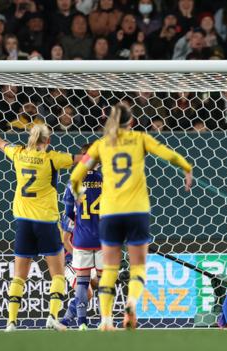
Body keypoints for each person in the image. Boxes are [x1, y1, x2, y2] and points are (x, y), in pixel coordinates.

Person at [69, 103, 193, 331]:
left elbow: (77, 175)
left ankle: (106, 321)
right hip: (137, 211)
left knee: (110, 268)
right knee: (137, 266)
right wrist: (187, 168)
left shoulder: (101, 144)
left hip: (110, 213)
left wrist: (77, 193)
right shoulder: (140, 139)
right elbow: (170, 155)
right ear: (132, 122)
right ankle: (131, 304)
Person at [0, 120, 75, 332]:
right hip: (46, 223)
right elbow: (83, 159)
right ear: (48, 140)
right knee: (57, 274)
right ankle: (52, 317)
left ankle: (11, 323)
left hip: (24, 223)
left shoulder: (18, 153)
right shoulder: (52, 158)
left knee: (19, 276)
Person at [60, 143, 103, 330]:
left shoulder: (73, 182)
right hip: (94, 243)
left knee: (87, 285)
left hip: (81, 241)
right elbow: (64, 240)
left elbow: (69, 213)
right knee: (99, 285)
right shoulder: (106, 180)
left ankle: (75, 322)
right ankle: (103, 321)